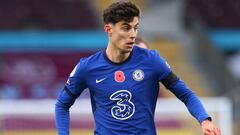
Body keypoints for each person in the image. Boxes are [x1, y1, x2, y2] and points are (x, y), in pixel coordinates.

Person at [55, 1, 221, 135]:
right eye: (126, 28)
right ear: (109, 30)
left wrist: (204, 120)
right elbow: (62, 104)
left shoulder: (152, 61)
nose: (133, 34)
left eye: (135, 28)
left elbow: (185, 94)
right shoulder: (87, 67)